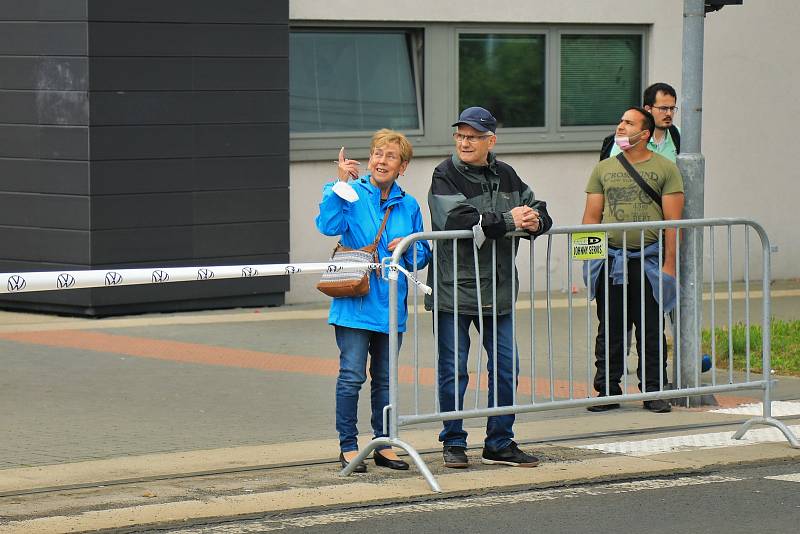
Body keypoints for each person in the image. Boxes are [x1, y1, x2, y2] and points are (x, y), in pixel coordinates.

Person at [426, 107, 553, 468]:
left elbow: (540, 208)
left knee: (506, 366)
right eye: (460, 136)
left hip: (497, 291)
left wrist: (534, 220)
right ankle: (453, 441)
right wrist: (508, 220)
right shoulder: (444, 174)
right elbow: (456, 218)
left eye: (473, 136)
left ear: (490, 141)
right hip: (454, 290)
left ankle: (499, 441)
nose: (465, 142)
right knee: (454, 369)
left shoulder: (507, 174)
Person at [316, 129, 431, 472]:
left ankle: (383, 442)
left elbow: (421, 254)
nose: (382, 161)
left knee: (385, 379)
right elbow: (327, 224)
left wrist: (406, 245)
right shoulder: (348, 191)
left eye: (390, 156)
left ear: (403, 166)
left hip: (391, 306)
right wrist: (338, 188)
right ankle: (348, 446)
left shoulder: (408, 204)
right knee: (351, 375)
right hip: (354, 301)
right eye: (377, 154)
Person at [582, 107, 684, 414]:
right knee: (610, 328)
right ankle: (607, 390)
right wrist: (590, 264)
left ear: (646, 134)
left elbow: (672, 223)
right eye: (621, 121)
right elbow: (590, 219)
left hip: (649, 262)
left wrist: (669, 266)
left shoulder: (666, 169)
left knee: (651, 328)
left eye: (628, 123)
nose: (621, 127)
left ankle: (654, 391)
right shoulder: (604, 169)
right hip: (610, 261)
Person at [604, 82, 681, 162]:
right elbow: (614, 170)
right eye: (663, 108)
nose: (669, 113)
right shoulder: (630, 136)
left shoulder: (679, 135)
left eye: (672, 108)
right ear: (648, 109)